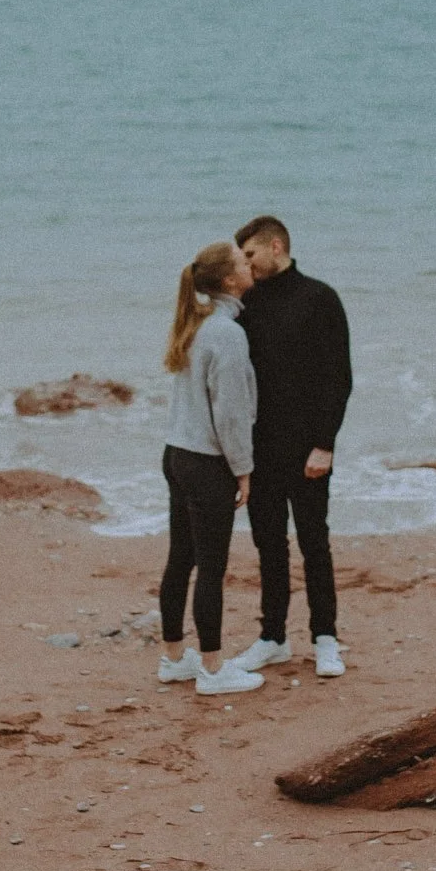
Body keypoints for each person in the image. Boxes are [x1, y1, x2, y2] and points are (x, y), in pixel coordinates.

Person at [224, 216, 353, 679]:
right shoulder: (246, 304)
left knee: (314, 542)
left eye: (251, 256)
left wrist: (325, 444)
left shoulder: (320, 299)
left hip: (307, 449)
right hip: (259, 449)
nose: (247, 266)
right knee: (268, 545)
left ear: (275, 247)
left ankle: (326, 639)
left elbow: (339, 378)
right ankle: (273, 638)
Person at [155, 240, 267, 696]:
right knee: (211, 567)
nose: (250, 262)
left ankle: (174, 659)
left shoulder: (199, 323)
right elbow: (232, 415)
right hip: (205, 462)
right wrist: (244, 469)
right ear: (229, 280)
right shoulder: (226, 333)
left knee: (180, 561)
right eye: (243, 261)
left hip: (176, 454)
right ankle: (214, 670)